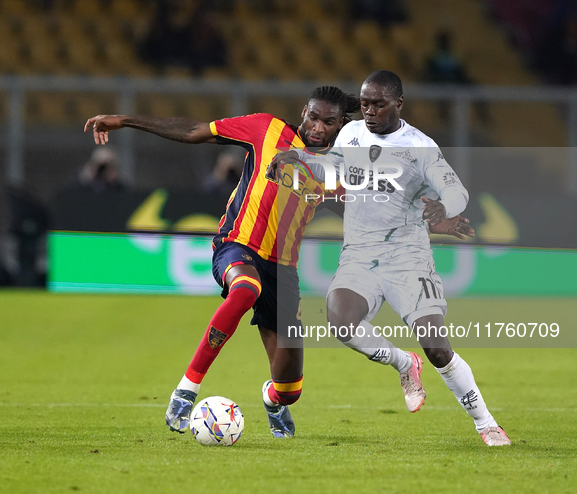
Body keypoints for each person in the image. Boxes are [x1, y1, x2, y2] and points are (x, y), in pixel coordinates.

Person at [85, 86, 470, 439]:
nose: (317, 127)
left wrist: (442, 219)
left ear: (341, 126)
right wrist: (125, 120)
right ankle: (186, 390)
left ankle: (273, 402)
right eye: (312, 117)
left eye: (328, 121)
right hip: (237, 244)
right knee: (244, 290)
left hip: (282, 269)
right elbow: (194, 131)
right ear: (303, 111)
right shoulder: (264, 129)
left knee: (290, 389)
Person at [274, 70, 510, 446]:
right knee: (341, 322)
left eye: (378, 104)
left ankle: (486, 424)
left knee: (436, 347)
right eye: (365, 104)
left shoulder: (419, 146)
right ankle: (404, 363)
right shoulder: (350, 134)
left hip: (407, 257)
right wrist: (296, 160)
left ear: (398, 104)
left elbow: (455, 189)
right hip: (359, 254)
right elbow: (331, 168)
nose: (368, 111)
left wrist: (443, 209)